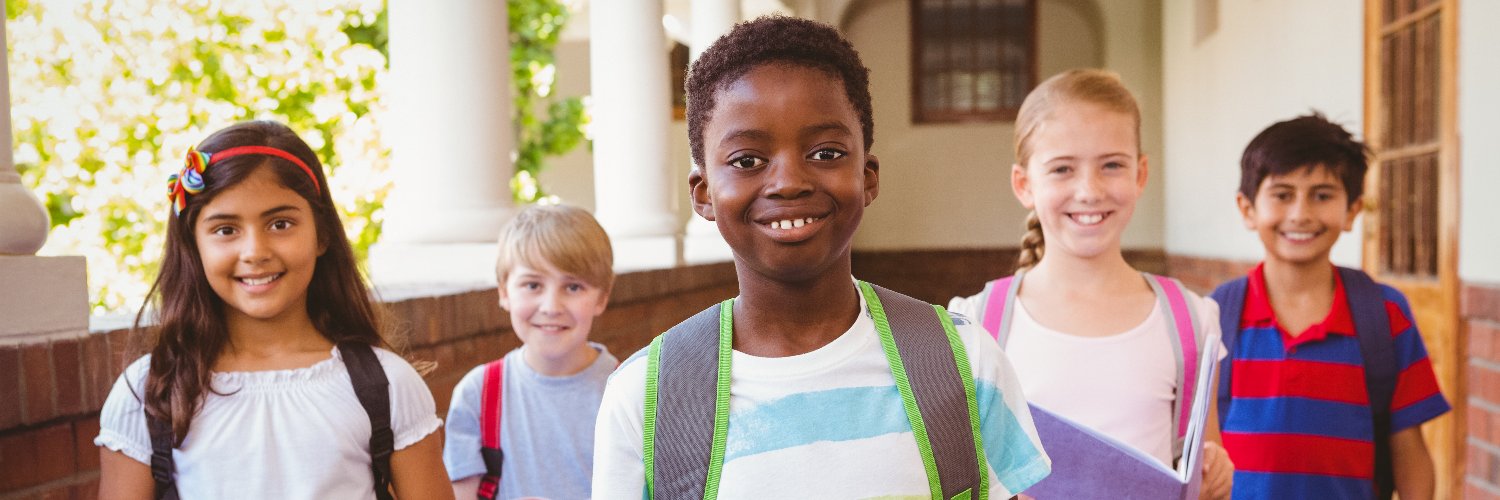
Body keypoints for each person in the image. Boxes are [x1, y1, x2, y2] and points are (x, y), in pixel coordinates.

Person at [592, 16, 1049, 499]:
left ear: (868, 176)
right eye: (747, 160)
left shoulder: (962, 362)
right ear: (703, 193)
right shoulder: (648, 397)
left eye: (826, 153)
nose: (789, 181)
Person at [94, 121, 451, 499]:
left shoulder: (386, 385)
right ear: (193, 246)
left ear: (322, 235)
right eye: (226, 230)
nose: (255, 252)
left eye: (280, 224)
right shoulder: (151, 392)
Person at [947, 69, 1233, 499]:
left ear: (1140, 174)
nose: (1089, 190)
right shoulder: (975, 325)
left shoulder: (1191, 320)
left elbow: (1203, 463)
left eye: (1112, 165)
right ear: (1024, 184)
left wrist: (1216, 476)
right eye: (1062, 169)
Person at [1212, 113, 1449, 499]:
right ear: (1247, 209)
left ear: (1353, 210)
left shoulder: (1384, 315)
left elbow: (1409, 449)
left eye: (1322, 195)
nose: (1301, 214)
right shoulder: (1216, 317)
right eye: (1282, 194)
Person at [443, 204, 619, 499]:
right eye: (533, 284)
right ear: (504, 292)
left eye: (573, 287)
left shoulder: (628, 391)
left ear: (601, 297)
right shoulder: (479, 394)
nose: (551, 307)